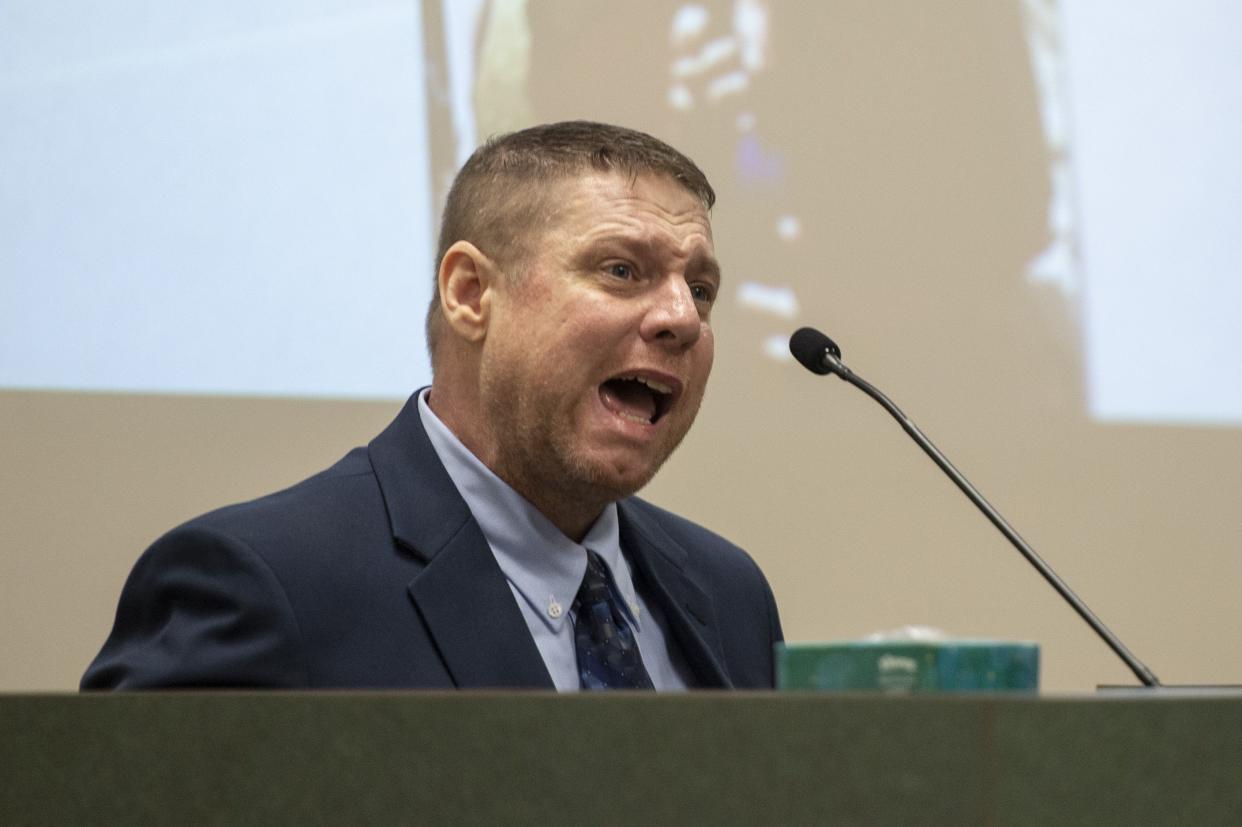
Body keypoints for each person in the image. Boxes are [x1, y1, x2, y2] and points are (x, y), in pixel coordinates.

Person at [82, 121, 783, 690]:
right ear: (471, 294)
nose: (682, 318)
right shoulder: (261, 584)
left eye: (700, 289)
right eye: (621, 270)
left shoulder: (728, 592)